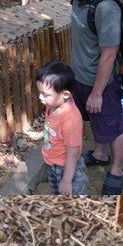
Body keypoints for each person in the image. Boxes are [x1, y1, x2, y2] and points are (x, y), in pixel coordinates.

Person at [60, 0, 123, 195]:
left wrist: (98, 92)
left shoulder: (105, 7)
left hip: (102, 83)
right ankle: (100, 154)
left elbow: (109, 55)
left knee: (113, 126)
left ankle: (118, 169)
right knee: (96, 122)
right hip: (81, 77)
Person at [38, 61, 88, 195]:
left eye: (45, 94)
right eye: (40, 92)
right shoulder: (54, 104)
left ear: (65, 95)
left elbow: (73, 154)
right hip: (52, 163)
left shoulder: (70, 120)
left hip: (67, 168)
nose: (40, 97)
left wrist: (66, 181)